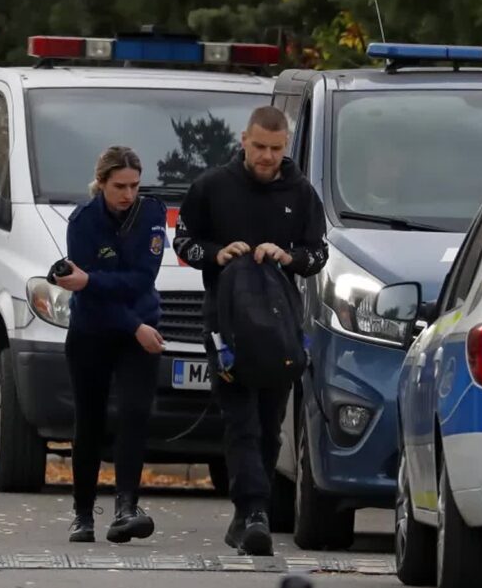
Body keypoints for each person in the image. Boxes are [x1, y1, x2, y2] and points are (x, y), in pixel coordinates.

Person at [173, 106, 328, 556]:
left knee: (268, 425)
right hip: (225, 324)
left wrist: (288, 256)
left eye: (275, 149)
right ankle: (255, 510)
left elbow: (318, 253)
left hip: (279, 326)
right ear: (244, 140)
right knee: (239, 419)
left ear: (286, 147)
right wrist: (218, 254)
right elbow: (184, 242)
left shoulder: (301, 193)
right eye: (259, 146)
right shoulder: (211, 187)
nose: (266, 157)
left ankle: (247, 514)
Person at [55, 145, 167, 544]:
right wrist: (129, 320)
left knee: (136, 412)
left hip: (140, 329)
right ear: (101, 183)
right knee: (89, 420)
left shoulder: (151, 214)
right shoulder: (83, 221)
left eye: (134, 185)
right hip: (93, 331)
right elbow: (88, 295)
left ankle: (126, 506)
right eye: (119, 186)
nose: (127, 194)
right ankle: (82, 514)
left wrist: (94, 283)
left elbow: (140, 278)